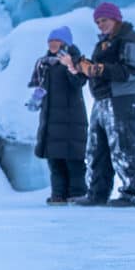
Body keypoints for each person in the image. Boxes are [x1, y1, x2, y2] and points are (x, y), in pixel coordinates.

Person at [71, 2, 135, 207]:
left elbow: (130, 71)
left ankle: (134, 193)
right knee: (98, 149)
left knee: (124, 145)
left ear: (116, 18)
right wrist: (83, 66)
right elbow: (104, 68)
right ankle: (97, 192)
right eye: (97, 22)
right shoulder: (105, 43)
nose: (100, 25)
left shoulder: (131, 40)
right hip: (103, 99)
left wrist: (96, 69)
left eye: (104, 20)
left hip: (123, 99)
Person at [26, 26, 88, 204]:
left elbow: (79, 82)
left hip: (71, 121)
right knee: (55, 161)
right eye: (50, 41)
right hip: (50, 120)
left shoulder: (76, 61)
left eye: (57, 41)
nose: (53, 44)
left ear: (66, 43)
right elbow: (42, 87)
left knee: (73, 160)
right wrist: (36, 98)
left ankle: (77, 194)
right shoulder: (45, 64)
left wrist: (70, 65)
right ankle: (58, 195)